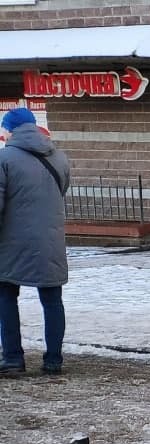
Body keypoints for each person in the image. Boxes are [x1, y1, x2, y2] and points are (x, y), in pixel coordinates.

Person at [0, 107, 72, 376]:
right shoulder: (59, 158)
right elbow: (61, 191)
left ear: (12, 129)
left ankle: (12, 360)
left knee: (6, 297)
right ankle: (54, 360)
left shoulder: (4, 158)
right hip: (50, 241)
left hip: (11, 243)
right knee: (52, 300)